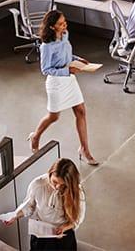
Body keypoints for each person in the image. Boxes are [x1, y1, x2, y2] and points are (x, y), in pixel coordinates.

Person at [28, 10, 98, 166]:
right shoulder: (46, 46)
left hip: (69, 80)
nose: (64, 24)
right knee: (54, 117)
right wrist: (67, 71)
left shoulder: (65, 34)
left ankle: (84, 149)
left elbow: (67, 56)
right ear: (52, 27)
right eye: (61, 23)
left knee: (81, 111)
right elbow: (46, 70)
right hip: (56, 82)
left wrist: (78, 60)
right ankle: (36, 136)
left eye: (64, 21)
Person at [3, 158, 86, 250]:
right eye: (55, 182)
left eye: (63, 185)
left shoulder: (77, 191)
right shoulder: (37, 184)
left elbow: (78, 218)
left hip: (63, 233)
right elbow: (29, 206)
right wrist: (15, 215)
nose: (57, 187)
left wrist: (64, 227)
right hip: (40, 234)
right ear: (50, 174)